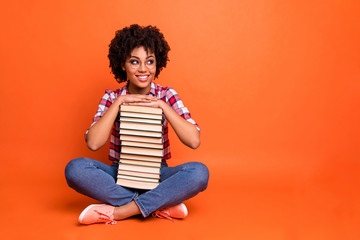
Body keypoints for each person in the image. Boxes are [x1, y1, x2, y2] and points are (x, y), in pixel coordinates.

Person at [65, 24, 209, 225]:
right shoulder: (112, 97)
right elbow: (94, 143)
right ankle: (158, 205)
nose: (143, 69)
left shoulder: (167, 95)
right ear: (122, 64)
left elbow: (194, 141)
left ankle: (120, 212)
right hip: (120, 174)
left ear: (157, 64)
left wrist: (162, 106)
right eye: (134, 62)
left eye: (149, 61)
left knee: (199, 173)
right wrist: (119, 103)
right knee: (75, 169)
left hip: (158, 174)